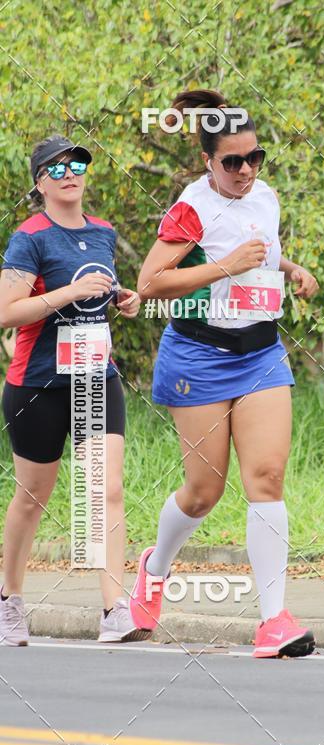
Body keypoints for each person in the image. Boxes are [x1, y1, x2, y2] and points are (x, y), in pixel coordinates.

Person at [133, 88, 319, 658]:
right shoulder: (191, 208)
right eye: (232, 161)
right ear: (208, 161)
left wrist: (290, 266)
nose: (245, 170)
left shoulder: (266, 195)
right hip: (200, 357)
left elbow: (256, 250)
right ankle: (154, 565)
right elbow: (150, 283)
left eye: (254, 157)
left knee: (266, 477)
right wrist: (222, 267)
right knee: (203, 493)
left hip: (261, 352)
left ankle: (273, 621)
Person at [0, 134, 143, 647]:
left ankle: (113, 610)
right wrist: (67, 292)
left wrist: (121, 298)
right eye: (57, 169)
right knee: (31, 497)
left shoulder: (103, 232)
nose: (70, 173)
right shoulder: (29, 238)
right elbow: (7, 313)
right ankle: (9, 599)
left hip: (94, 375)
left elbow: (95, 294)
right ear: (39, 183)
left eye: (77, 163)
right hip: (37, 385)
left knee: (105, 490)